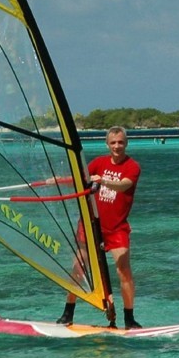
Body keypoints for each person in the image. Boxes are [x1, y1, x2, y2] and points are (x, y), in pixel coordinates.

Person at [56, 126, 143, 329]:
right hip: (91, 225)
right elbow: (80, 180)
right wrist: (59, 181)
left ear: (126, 143)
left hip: (117, 228)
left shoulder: (132, 166)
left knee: (124, 271)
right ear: (107, 144)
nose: (117, 146)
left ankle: (129, 319)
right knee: (78, 269)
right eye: (113, 143)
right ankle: (67, 312)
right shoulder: (99, 162)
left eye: (121, 142)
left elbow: (124, 185)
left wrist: (103, 181)